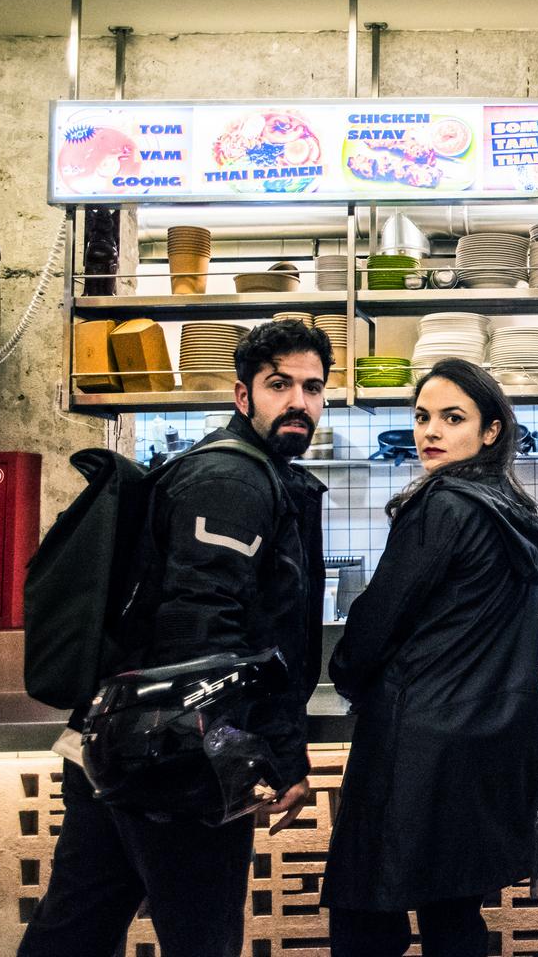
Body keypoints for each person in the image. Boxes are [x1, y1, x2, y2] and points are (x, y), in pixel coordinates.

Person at [19, 319, 332, 957]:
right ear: (243, 396)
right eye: (279, 385)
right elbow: (206, 638)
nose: (299, 402)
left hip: (120, 745)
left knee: (74, 932)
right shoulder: (231, 482)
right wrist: (266, 758)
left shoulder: (243, 472)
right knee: (200, 939)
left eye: (312, 387)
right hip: (174, 760)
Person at [322, 358, 538, 957]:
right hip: (484, 750)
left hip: (414, 748)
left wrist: (347, 674)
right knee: (454, 918)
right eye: (422, 416)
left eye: (452, 418)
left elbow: (376, 622)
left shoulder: (441, 506)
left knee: (363, 921)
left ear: (490, 431)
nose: (430, 431)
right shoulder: (511, 513)